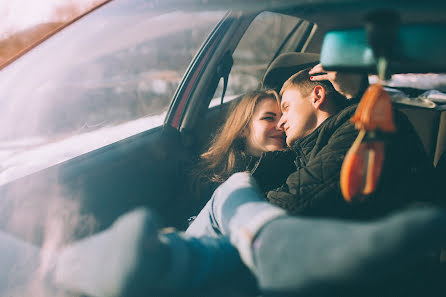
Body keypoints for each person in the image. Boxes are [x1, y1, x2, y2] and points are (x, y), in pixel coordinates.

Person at [49, 67, 444, 297]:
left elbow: (294, 200)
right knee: (232, 189)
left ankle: (160, 254)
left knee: (233, 191)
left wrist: (359, 95)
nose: (282, 122)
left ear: (319, 94)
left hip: (279, 241)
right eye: (270, 116)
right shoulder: (313, 146)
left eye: (285, 108)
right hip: (255, 239)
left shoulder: (355, 133)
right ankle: (167, 252)